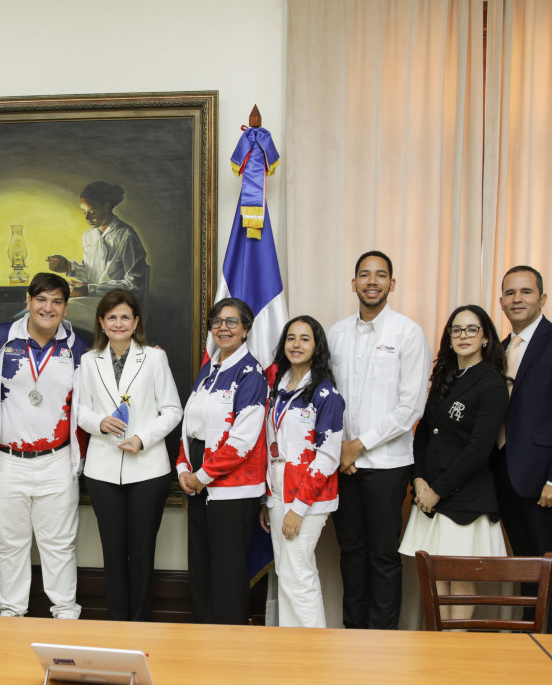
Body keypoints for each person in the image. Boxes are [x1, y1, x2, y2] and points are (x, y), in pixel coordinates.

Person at [328, 250, 430, 630]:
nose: (372, 281)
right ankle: (353, 635)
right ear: (353, 283)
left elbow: (411, 406)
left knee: (383, 556)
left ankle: (384, 643)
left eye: (381, 275)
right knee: (350, 554)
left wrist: (358, 445)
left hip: (387, 465)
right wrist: (341, 449)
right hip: (342, 465)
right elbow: (328, 396)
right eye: (365, 275)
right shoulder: (336, 333)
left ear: (392, 283)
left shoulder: (408, 333)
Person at [0, 273, 89, 618]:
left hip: (57, 460)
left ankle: (65, 613)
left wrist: (148, 354)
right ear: (28, 301)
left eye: (57, 301)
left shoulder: (78, 346)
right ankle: (11, 614)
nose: (48, 307)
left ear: (66, 307)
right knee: (10, 544)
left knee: (59, 544)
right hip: (5, 461)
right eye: (41, 299)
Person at [492, 265, 552, 634]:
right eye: (510, 293)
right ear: (501, 301)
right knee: (526, 565)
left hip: (545, 480)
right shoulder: (499, 349)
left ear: (542, 298)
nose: (517, 299)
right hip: (504, 475)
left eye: (526, 292)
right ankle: (528, 639)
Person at [77, 290, 183, 621]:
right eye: (112, 317)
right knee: (112, 552)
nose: (118, 323)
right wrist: (99, 423)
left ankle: (140, 623)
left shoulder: (154, 358)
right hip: (102, 470)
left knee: (141, 551)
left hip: (148, 470)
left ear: (136, 322)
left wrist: (142, 438)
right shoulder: (88, 361)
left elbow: (173, 410)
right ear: (101, 322)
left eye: (125, 317)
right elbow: (80, 411)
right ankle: (117, 624)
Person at [400, 305, 510, 623]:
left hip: (465, 498)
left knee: (459, 579)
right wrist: (419, 479)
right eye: (457, 329)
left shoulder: (491, 383)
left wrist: (437, 491)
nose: (463, 336)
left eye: (472, 329)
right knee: (436, 578)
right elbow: (423, 433)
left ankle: (455, 643)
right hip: (430, 493)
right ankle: (440, 644)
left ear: (486, 338)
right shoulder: (445, 377)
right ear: (449, 337)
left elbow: (479, 449)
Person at [177, 298, 268, 625]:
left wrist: (201, 476)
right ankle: (203, 638)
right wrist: (183, 468)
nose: (223, 328)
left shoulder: (251, 374)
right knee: (201, 567)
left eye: (232, 322)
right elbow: (190, 424)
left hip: (231, 487)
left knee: (228, 573)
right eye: (217, 321)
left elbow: (242, 441)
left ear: (245, 329)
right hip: (198, 480)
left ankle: (229, 643)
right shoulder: (209, 369)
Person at [259, 315, 344, 629]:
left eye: (305, 338)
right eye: (291, 338)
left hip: (308, 498)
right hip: (278, 493)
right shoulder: (277, 387)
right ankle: (291, 646)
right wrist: (268, 499)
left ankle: (313, 649)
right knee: (286, 572)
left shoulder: (326, 394)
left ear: (317, 346)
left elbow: (328, 457)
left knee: (298, 573)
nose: (296, 344)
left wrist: (298, 507)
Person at [46, 181, 150, 342]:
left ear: (107, 207)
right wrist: (68, 267)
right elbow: (92, 273)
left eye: (92, 212)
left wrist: (89, 290)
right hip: (93, 300)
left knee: (55, 312)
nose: (87, 218)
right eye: (84, 212)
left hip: (118, 305)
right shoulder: (89, 236)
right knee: (48, 307)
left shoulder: (126, 236)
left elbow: (134, 285)